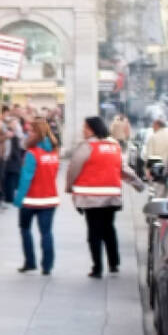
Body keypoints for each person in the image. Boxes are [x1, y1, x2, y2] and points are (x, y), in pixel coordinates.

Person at [64, 115, 144, 278]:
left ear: (92, 129)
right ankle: (114, 263)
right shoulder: (113, 146)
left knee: (94, 232)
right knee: (108, 229)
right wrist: (138, 184)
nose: (82, 130)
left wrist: (69, 187)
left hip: (91, 197)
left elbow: (74, 168)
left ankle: (97, 267)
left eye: (85, 127)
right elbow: (123, 169)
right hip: (111, 197)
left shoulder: (86, 147)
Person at [14, 117, 59, 275]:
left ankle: (30, 262)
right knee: (46, 233)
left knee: (25, 229)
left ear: (36, 133)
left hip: (30, 199)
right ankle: (47, 266)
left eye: (30, 131)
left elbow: (26, 178)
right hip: (50, 198)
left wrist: (18, 199)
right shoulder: (53, 153)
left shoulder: (32, 154)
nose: (28, 133)